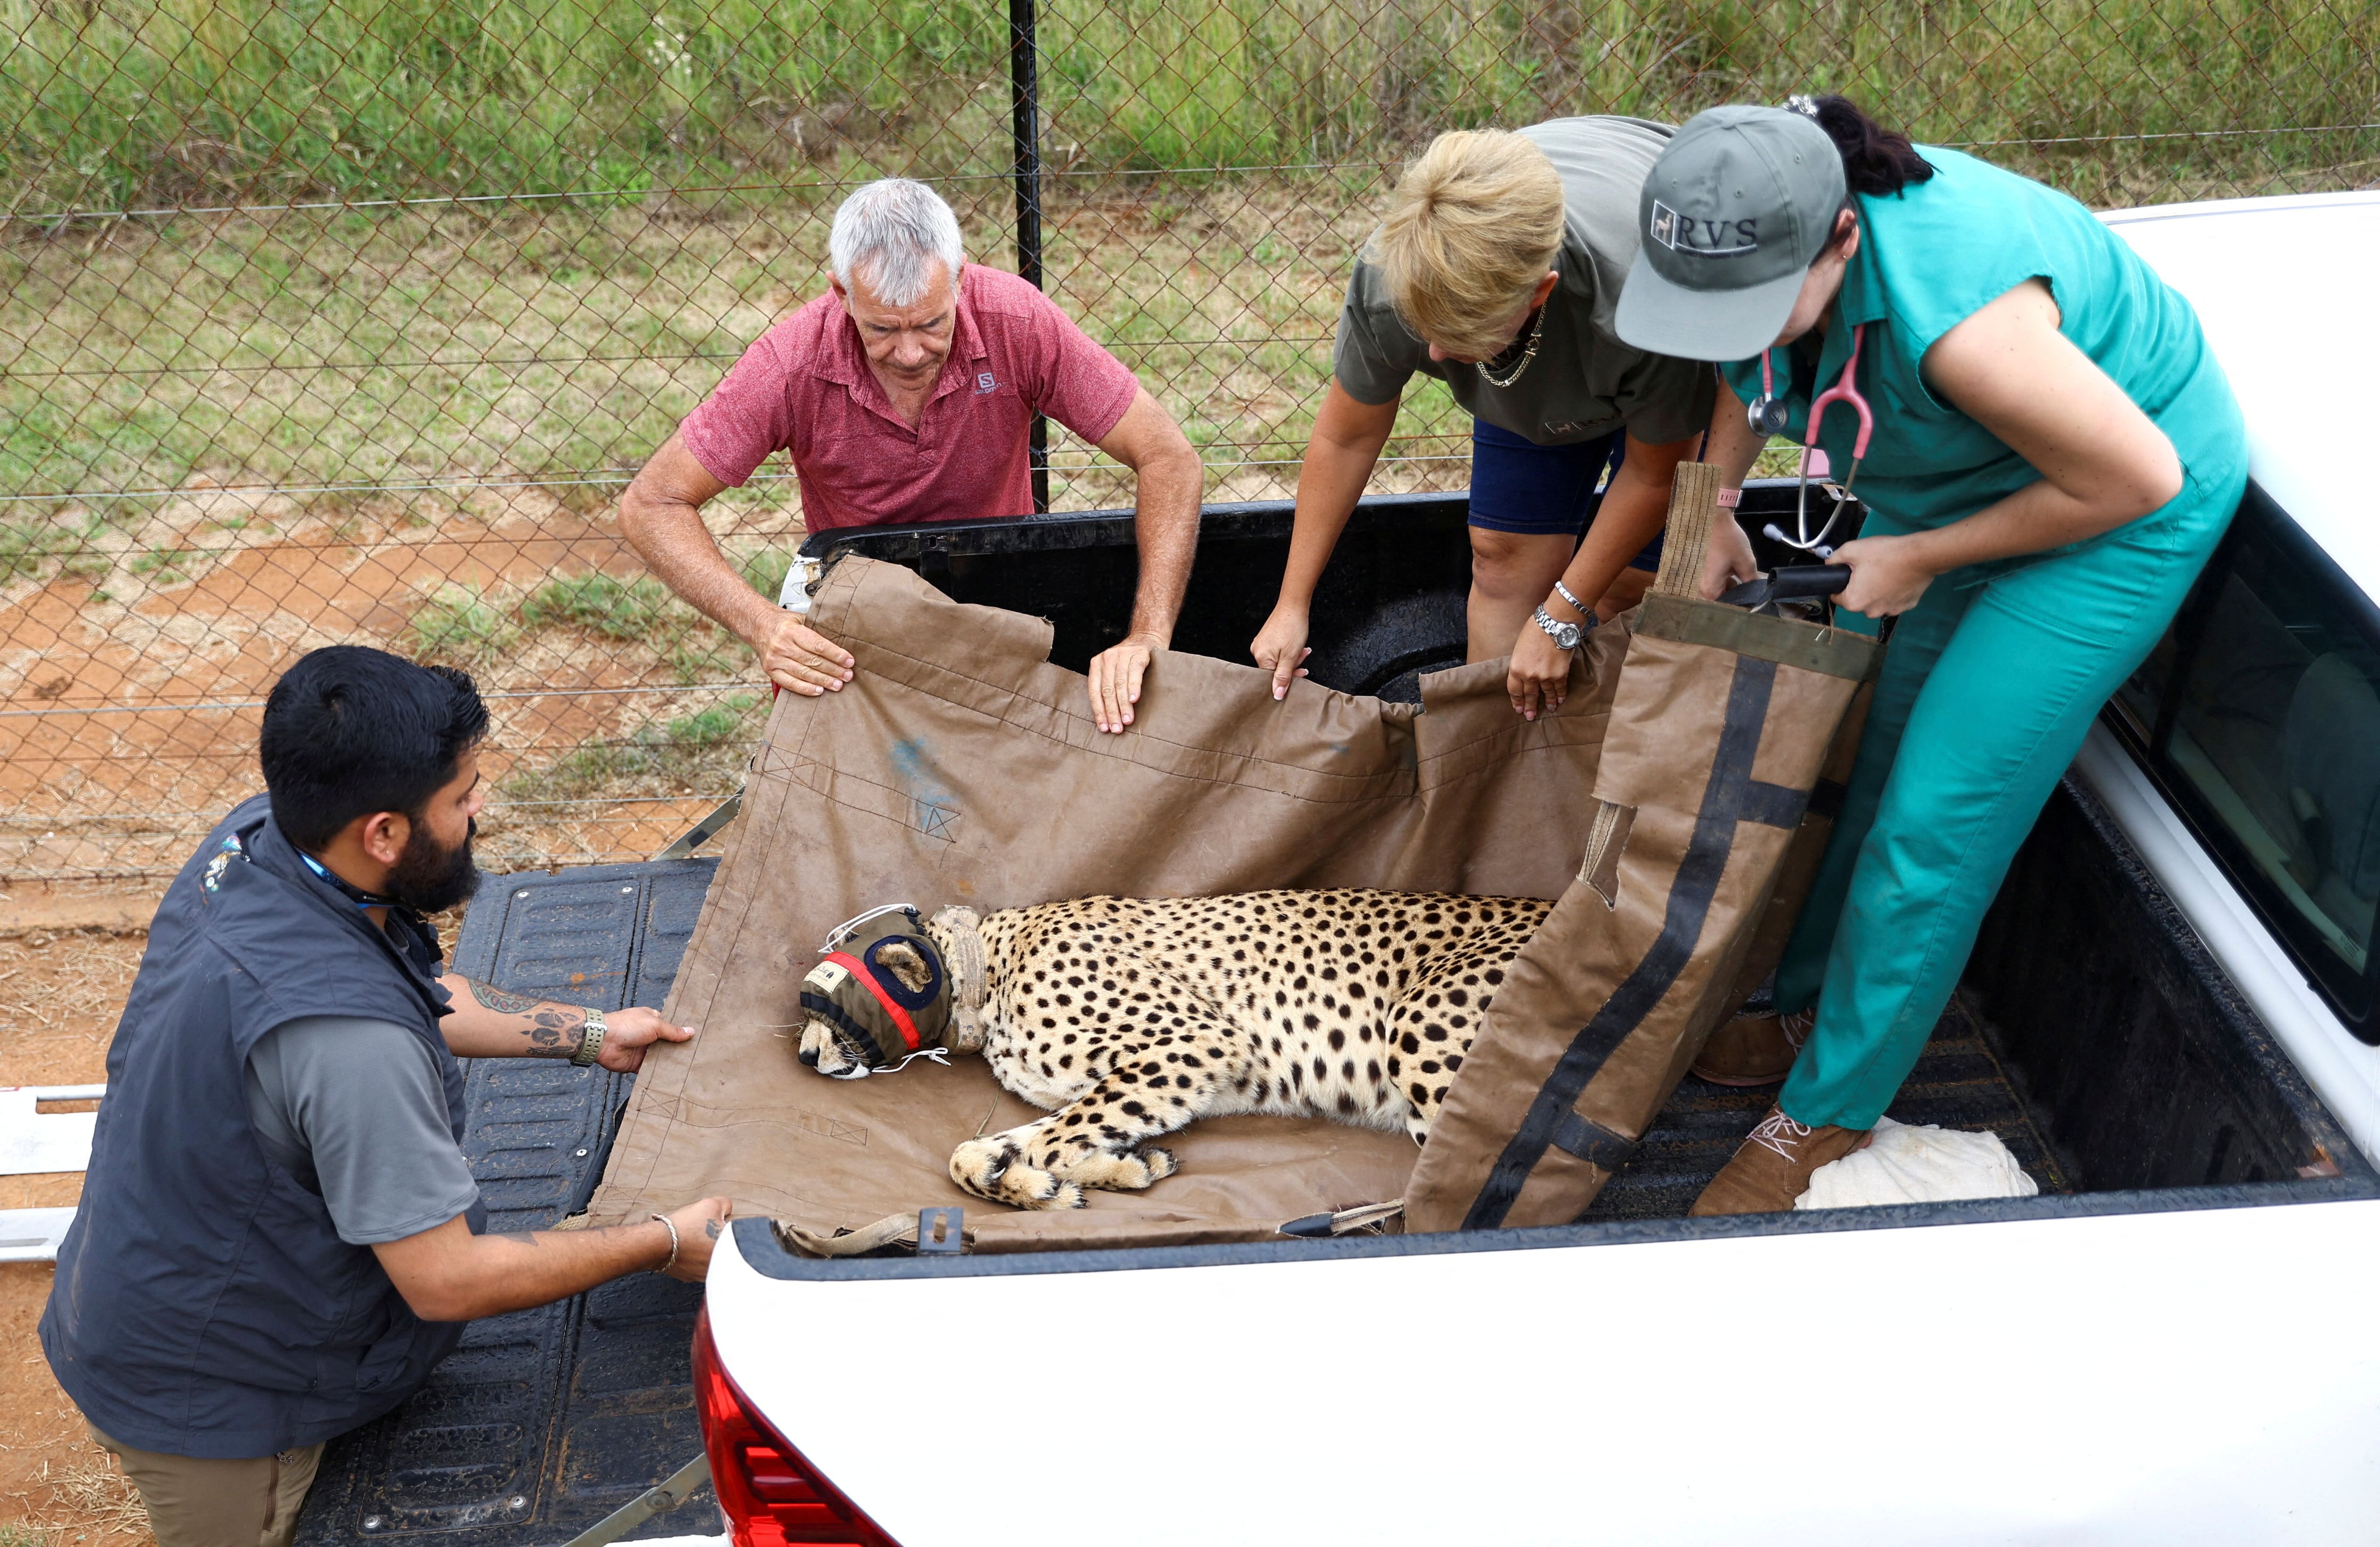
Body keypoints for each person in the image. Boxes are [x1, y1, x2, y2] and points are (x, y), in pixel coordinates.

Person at [1614, 96, 2247, 1213]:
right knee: (1867, 756)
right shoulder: (1756, 225)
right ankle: (1811, 999)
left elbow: (2134, 479)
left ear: (1844, 238)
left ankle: (1828, 1111)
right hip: (1966, 489)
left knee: (1931, 822)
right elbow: (1743, 360)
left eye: (1758, 304)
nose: (1732, 329)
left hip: (2116, 508)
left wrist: (1923, 557)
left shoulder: (1961, 324)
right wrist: (1706, 502)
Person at [40, 647, 733, 1547]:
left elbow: (409, 994)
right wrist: (666, 1240)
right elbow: (446, 1280)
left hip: (153, 1266)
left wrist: (593, 1032)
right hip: (214, 1395)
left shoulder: (262, 841)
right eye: (461, 795)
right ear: (383, 835)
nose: (479, 805)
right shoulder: (347, 1047)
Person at [619, 177, 1203, 735]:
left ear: (958, 281)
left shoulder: (1017, 322)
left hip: (999, 597)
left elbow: (1168, 458)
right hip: (863, 616)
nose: (908, 352)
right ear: (841, 292)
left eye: (930, 323)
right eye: (882, 328)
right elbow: (652, 503)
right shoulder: (789, 363)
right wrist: (763, 624)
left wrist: (1148, 635)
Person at [1249, 118, 1716, 721]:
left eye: (1458, 338)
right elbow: (1347, 436)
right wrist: (1292, 602)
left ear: (1538, 294)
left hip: (1657, 335)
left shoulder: (1642, 298)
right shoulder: (1396, 274)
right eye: (1426, 333)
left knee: (1631, 580)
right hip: (1529, 363)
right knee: (1502, 559)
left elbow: (1656, 476)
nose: (1437, 359)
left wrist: (1561, 616)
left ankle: (1596, 763)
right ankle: (1487, 771)